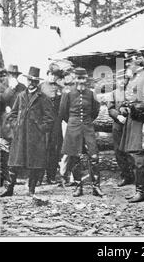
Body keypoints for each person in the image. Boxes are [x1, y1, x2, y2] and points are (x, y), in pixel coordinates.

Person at [0, 67, 55, 197]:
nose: (32, 83)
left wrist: (41, 128)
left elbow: (50, 118)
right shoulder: (21, 96)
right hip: (20, 135)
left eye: (34, 81)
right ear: (27, 80)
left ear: (37, 83)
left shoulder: (43, 98)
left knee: (34, 164)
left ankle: (31, 190)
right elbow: (12, 114)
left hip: (35, 137)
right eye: (30, 80)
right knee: (14, 163)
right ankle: (9, 189)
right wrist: (15, 125)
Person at [59, 67, 104, 197]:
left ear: (86, 79)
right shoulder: (68, 93)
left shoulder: (91, 93)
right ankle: (78, 187)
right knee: (75, 157)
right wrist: (74, 122)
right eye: (79, 78)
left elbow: (95, 111)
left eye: (83, 78)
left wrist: (86, 121)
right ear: (75, 79)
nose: (81, 81)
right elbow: (63, 112)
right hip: (73, 128)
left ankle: (96, 187)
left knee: (94, 156)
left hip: (88, 127)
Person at [118, 53, 144, 203]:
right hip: (131, 120)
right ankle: (138, 189)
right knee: (132, 155)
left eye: (130, 63)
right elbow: (127, 100)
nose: (128, 66)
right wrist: (123, 108)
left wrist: (134, 108)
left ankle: (142, 191)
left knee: (139, 156)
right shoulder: (132, 79)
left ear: (139, 64)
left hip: (141, 120)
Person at [38, 62, 64, 185]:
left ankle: (51, 176)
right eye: (51, 74)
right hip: (44, 122)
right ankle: (38, 177)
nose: (53, 77)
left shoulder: (60, 88)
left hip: (56, 123)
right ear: (48, 74)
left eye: (55, 75)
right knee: (42, 148)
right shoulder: (41, 87)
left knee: (54, 149)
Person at [107, 69, 134, 187]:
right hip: (118, 125)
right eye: (119, 79)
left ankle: (136, 175)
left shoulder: (132, 91)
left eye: (124, 78)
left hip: (131, 124)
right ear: (116, 80)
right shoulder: (113, 93)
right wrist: (118, 116)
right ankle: (126, 176)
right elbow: (110, 108)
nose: (122, 81)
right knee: (119, 151)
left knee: (132, 149)